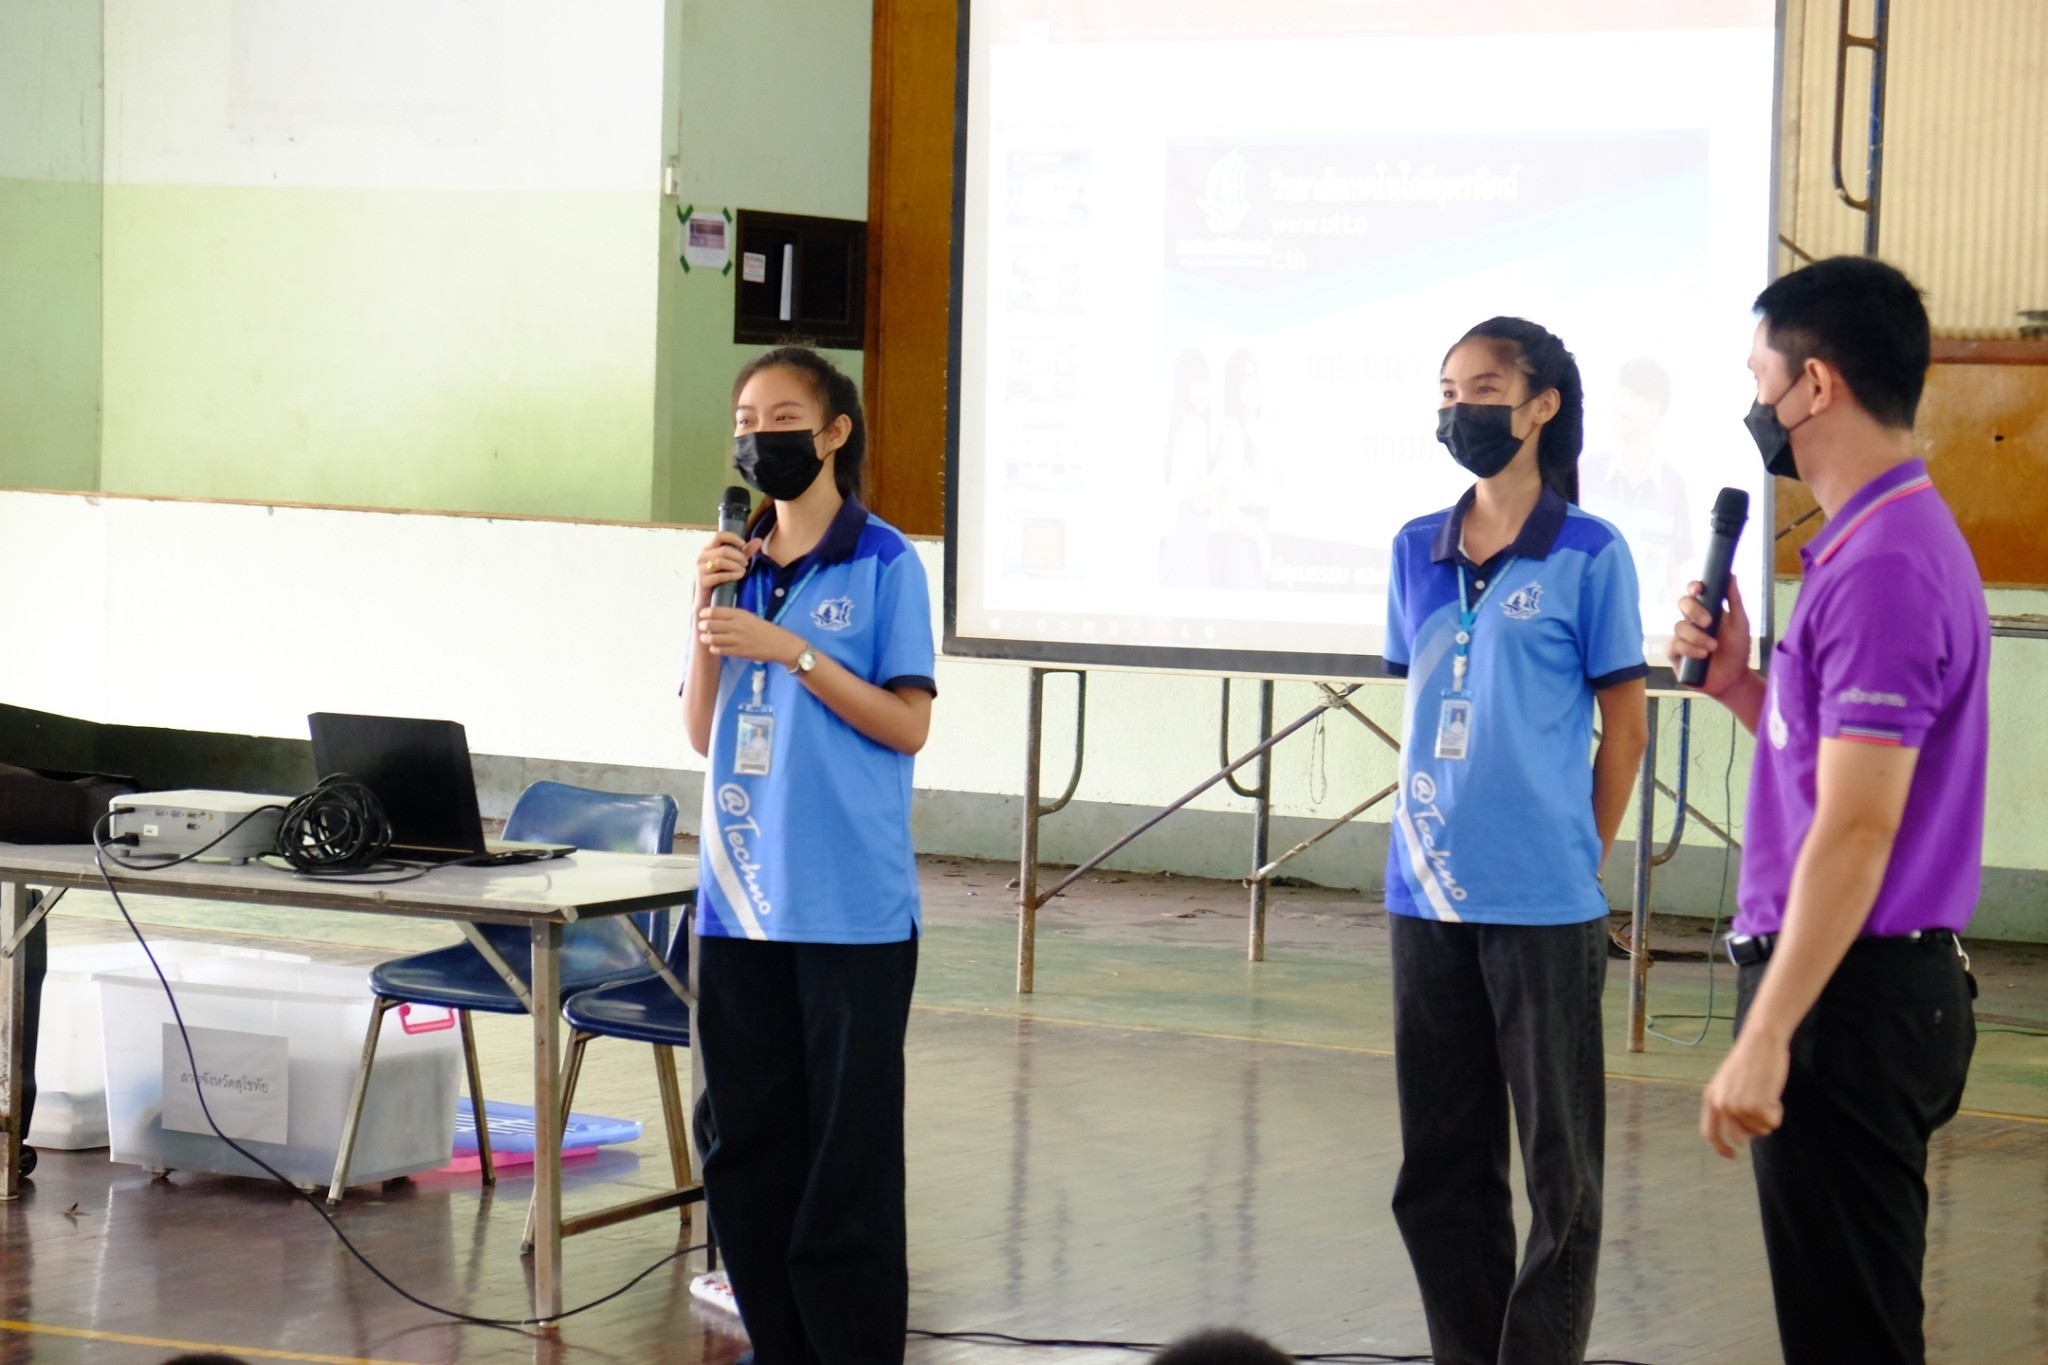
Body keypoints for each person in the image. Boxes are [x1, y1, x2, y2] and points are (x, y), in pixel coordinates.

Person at [1672, 256, 1985, 1365]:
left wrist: (1765, 1036)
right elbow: (1836, 777)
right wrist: (1744, 690)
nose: (1750, 400)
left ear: (1814, 386)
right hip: (1855, 986)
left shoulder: (1885, 564)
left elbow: (1858, 831)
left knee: (1848, 1339)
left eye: (1757, 374)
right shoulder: (1864, 542)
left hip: (1846, 997)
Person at [1381, 316, 1649, 1365]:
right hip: (1426, 896)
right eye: (1447, 390)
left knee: (1559, 1174)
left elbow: (1621, 726)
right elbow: (1430, 698)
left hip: (1543, 902)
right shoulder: (1414, 548)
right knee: (1439, 1166)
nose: (1460, 408)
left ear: (1539, 406)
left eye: (1483, 388)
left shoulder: (1589, 552)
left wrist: (1579, 854)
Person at [683, 345, 937, 1365]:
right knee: (742, 1146)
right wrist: (702, 624)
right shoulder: (734, 561)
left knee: (847, 1157)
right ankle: (776, 1344)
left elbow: (905, 724)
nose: (758, 435)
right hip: (738, 904)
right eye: (745, 417)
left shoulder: (882, 563)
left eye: (781, 416)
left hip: (848, 910)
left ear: (833, 432)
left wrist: (792, 651)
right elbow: (704, 734)